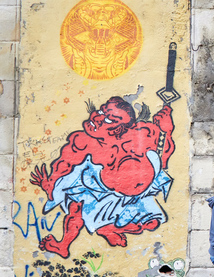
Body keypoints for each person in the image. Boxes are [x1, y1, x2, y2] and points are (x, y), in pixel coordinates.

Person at [31, 96, 174, 258]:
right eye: (101, 111)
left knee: (152, 221)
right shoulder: (82, 141)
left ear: (122, 128)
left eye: (109, 119)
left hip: (141, 192)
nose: (97, 117)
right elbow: (63, 167)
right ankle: (64, 245)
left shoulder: (144, 133)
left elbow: (163, 155)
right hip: (103, 188)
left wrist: (166, 129)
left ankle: (111, 229)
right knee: (77, 203)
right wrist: (50, 186)